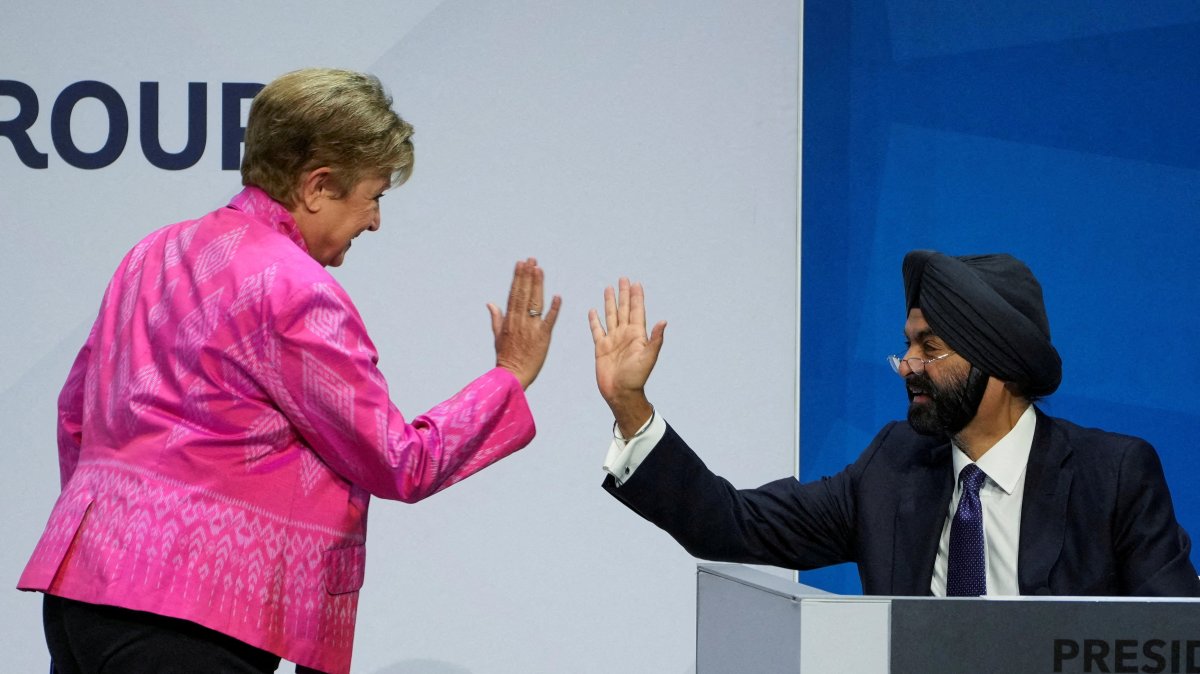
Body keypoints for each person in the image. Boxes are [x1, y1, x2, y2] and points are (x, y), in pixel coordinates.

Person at [18, 68, 562, 674]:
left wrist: (116, 539)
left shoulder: (153, 251)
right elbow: (397, 460)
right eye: (375, 195)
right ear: (317, 185)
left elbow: (76, 414)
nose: (376, 221)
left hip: (80, 592)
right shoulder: (296, 289)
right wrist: (508, 377)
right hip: (190, 616)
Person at [589, 251, 1200, 597]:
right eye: (907, 345)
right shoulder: (892, 465)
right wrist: (630, 408)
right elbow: (733, 524)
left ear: (1001, 364)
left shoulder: (1112, 476)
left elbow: (1171, 643)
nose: (907, 366)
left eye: (929, 348)